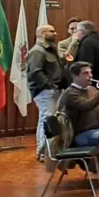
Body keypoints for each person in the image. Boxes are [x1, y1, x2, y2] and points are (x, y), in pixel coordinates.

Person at [28, 23, 68, 162]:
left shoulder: (51, 49)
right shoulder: (37, 51)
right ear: (41, 34)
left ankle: (47, 150)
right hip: (45, 91)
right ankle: (43, 151)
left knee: (48, 118)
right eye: (51, 31)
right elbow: (35, 72)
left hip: (54, 89)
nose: (55, 33)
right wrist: (50, 86)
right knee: (47, 118)